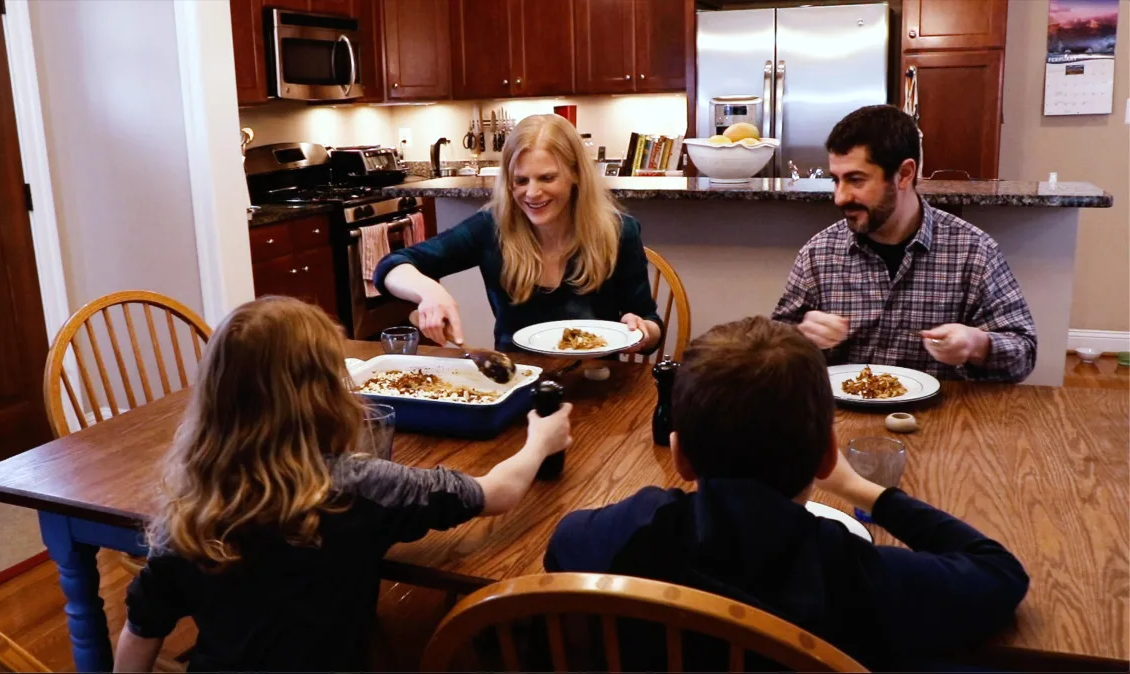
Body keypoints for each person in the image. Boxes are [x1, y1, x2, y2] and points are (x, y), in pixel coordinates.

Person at [112, 297, 572, 672]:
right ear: (328, 394)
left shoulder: (190, 512)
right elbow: (497, 493)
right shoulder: (362, 486)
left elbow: (140, 633)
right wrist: (539, 443)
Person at [544, 318, 1029, 670]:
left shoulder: (632, 529)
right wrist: (867, 491)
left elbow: (560, 544)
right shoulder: (856, 572)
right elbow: (1000, 574)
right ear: (826, 457)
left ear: (680, 456)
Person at [772, 104, 1036, 382]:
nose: (840, 197)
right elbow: (772, 350)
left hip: (941, 418)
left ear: (905, 174)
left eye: (856, 180)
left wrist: (977, 344)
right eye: (836, 180)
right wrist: (801, 335)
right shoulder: (819, 253)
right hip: (843, 418)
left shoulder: (973, 252)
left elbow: (1024, 355)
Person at [375, 113, 662, 354]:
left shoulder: (619, 231)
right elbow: (389, 267)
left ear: (575, 174)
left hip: (598, 385)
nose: (533, 193)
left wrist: (641, 332)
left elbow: (651, 325)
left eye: (547, 178)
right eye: (520, 181)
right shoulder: (492, 227)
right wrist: (431, 292)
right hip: (517, 383)